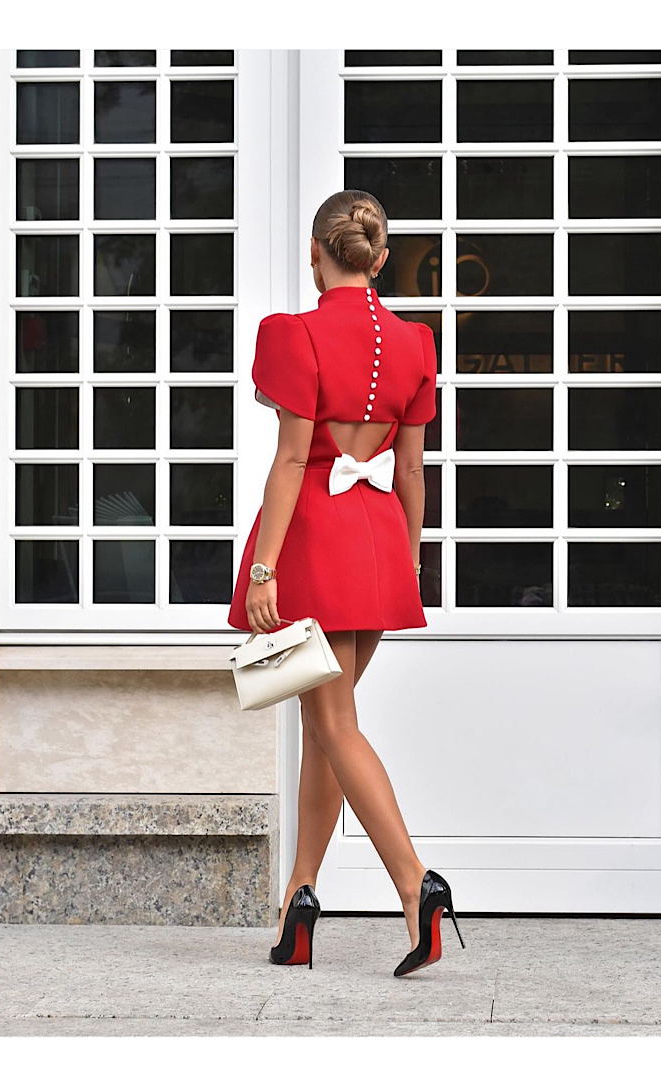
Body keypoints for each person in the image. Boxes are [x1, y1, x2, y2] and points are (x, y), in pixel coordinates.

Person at [228, 190, 464, 977]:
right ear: (383, 256)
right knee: (327, 724)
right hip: (376, 541)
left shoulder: (292, 334)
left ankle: (415, 886)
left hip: (314, 544)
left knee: (331, 723)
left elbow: (294, 459)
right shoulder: (415, 343)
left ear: (314, 251)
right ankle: (301, 896)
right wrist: (412, 556)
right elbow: (411, 471)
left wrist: (263, 565)